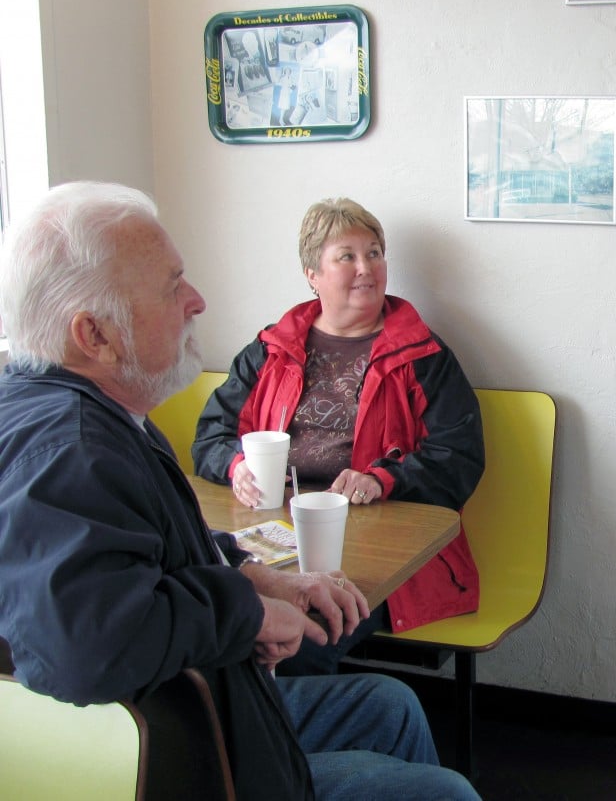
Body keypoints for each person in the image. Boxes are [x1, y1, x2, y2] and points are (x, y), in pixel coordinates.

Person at [0, 181, 479, 801]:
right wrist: (246, 610)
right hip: (186, 752)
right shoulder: (71, 451)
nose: (197, 301)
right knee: (447, 793)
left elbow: (154, 563)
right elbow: (85, 643)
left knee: (387, 702)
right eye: (171, 285)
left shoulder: (97, 418)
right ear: (94, 336)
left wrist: (249, 576)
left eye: (374, 253)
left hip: (207, 697)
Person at [192, 197, 484, 671]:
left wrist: (384, 478)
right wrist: (235, 464)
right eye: (346, 256)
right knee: (216, 612)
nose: (366, 267)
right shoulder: (271, 349)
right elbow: (210, 435)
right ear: (312, 273)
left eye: (374, 252)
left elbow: (460, 457)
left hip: (376, 545)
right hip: (274, 530)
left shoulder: (423, 354)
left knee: (296, 642)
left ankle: (297, 732)